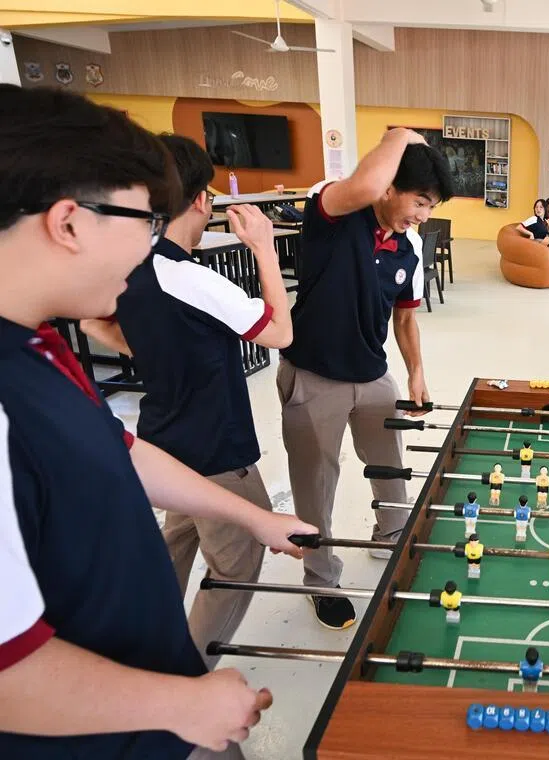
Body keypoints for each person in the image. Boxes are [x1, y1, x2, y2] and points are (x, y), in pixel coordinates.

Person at [0, 85, 316, 759]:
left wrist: (254, 517)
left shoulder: (35, 341)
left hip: (148, 697)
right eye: (144, 221)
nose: (148, 247)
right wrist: (182, 702)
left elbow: (115, 448)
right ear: (69, 222)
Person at [80, 135, 294, 669]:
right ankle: (184, 673)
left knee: (176, 544)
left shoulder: (129, 265)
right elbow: (279, 334)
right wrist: (264, 248)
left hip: (164, 441)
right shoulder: (192, 277)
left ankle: (141, 649)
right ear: (201, 200)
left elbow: (94, 321)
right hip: (217, 452)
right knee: (236, 566)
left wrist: (158, 351)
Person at [279, 127, 453, 630]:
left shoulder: (409, 248)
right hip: (313, 375)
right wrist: (401, 136)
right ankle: (320, 580)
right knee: (316, 482)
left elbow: (404, 318)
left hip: (372, 375)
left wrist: (416, 374)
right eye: (419, 200)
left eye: (431, 206)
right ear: (388, 187)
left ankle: (391, 539)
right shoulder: (333, 215)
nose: (423, 215)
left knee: (390, 465)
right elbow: (363, 182)